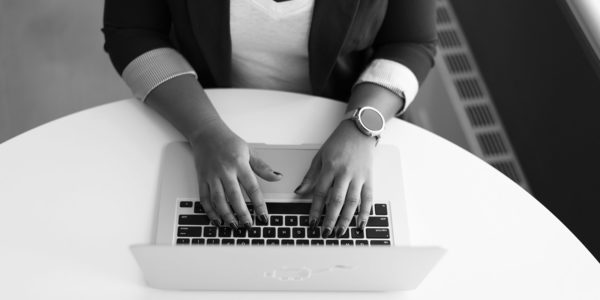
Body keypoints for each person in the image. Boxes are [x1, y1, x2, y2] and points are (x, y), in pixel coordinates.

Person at [102, 0, 437, 239]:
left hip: (341, 115)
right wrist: (204, 131)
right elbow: (131, 33)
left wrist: (361, 128)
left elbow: (410, 42)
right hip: (198, 105)